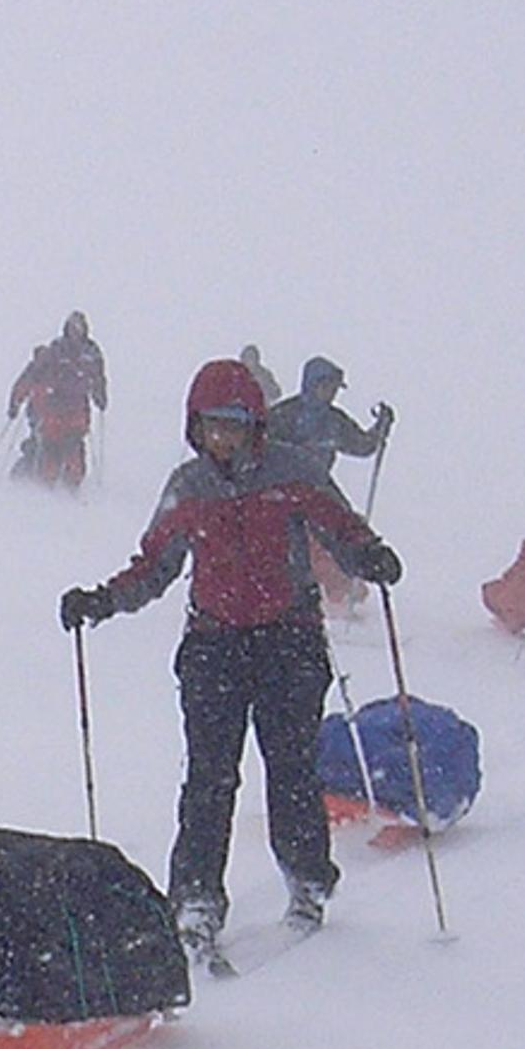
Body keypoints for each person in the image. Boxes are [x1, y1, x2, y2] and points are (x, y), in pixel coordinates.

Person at [60, 358, 400, 959]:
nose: (224, 436)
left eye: (236, 424)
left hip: (288, 642)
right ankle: (194, 901)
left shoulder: (292, 472)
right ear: (196, 426)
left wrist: (369, 555)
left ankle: (307, 880)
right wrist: (103, 601)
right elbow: (156, 566)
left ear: (255, 424)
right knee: (209, 780)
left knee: (291, 769)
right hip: (213, 646)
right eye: (212, 425)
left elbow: (340, 526)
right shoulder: (188, 487)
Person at [267, 354, 395, 613]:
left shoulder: (335, 421)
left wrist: (379, 429)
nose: (331, 393)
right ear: (311, 384)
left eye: (335, 389)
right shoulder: (284, 415)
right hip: (282, 486)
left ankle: (344, 586)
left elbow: (361, 446)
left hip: (319, 484)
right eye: (327, 387)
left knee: (345, 524)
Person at [7, 312, 108, 488]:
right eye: (72, 328)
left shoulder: (91, 353)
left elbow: (98, 378)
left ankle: (71, 490)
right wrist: (16, 401)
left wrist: (100, 396)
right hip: (53, 411)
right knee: (50, 453)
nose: (75, 332)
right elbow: (31, 375)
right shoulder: (56, 351)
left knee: (74, 456)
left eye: (79, 328)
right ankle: (42, 490)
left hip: (77, 414)